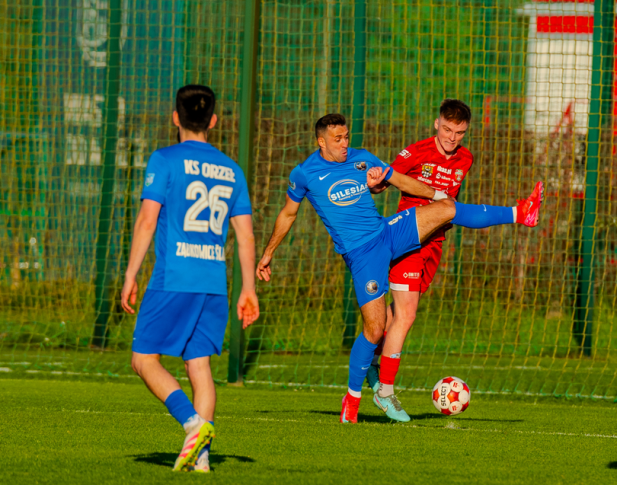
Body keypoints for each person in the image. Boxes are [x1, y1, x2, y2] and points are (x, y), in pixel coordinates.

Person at [256, 113, 543, 424]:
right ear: (321, 141)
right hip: (362, 255)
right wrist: (268, 253)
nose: (344, 144)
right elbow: (287, 214)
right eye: (337, 139)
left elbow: (398, 180)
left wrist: (435, 194)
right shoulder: (305, 174)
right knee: (375, 328)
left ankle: (520, 213)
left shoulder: (361, 158)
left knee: (447, 209)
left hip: (387, 232)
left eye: (347, 136)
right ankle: (351, 400)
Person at [121, 85, 259, 472]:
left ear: (175, 118)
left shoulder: (164, 160)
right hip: (214, 279)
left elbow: (148, 221)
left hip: (174, 276)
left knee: (143, 359)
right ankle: (201, 460)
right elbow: (245, 235)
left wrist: (131, 274)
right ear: (213, 121)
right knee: (198, 365)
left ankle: (192, 423)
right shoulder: (232, 170)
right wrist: (248, 288)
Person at [365, 99, 475, 421]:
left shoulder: (465, 158)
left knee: (397, 311)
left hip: (436, 242)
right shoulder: (416, 152)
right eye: (447, 129)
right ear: (436, 123)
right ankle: (385, 392)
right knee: (407, 315)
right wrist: (376, 183)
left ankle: (372, 361)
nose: (452, 138)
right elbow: (386, 181)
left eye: (459, 132)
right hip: (408, 239)